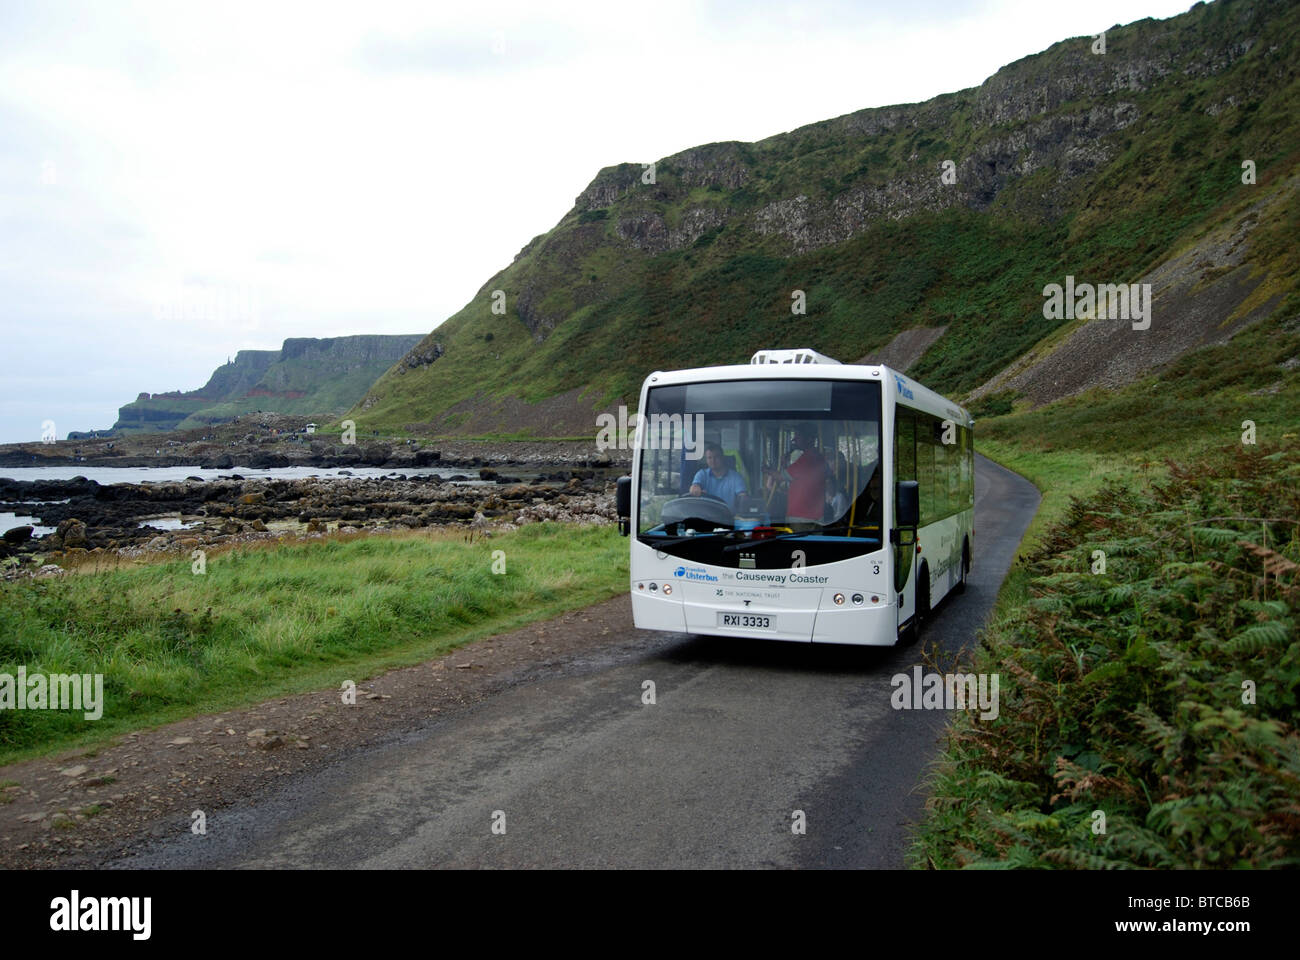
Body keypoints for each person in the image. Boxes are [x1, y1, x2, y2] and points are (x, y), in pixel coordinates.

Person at [783, 425, 827, 523]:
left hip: (801, 516)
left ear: (809, 438)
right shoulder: (818, 457)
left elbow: (781, 476)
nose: (794, 440)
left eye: (798, 436)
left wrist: (768, 471)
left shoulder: (807, 458)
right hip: (816, 516)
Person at [689, 442, 747, 510]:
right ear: (706, 460)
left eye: (716, 457)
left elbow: (743, 497)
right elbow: (694, 486)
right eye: (709, 458)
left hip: (728, 518)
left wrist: (743, 499)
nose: (713, 461)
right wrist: (695, 489)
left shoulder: (736, 477)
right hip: (706, 517)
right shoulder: (702, 474)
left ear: (722, 457)